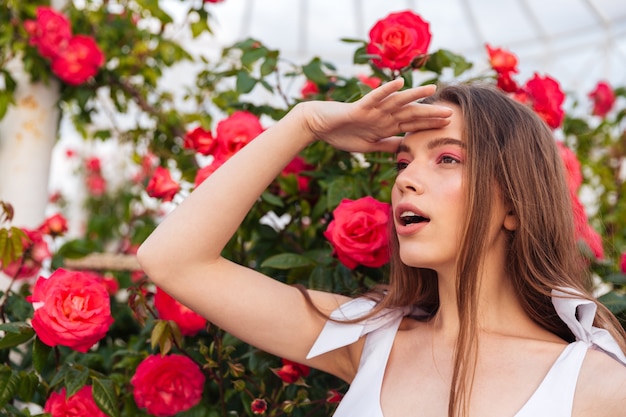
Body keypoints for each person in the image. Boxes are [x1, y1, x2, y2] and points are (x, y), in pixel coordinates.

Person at [137, 79, 626, 417]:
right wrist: (303, 122)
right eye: (402, 162)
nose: (407, 180)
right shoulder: (368, 340)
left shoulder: (598, 386)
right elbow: (172, 260)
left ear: (515, 204)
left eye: (447, 158)